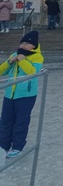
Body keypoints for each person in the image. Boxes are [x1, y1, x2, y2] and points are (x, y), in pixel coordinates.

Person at [0, 30, 44, 159]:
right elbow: (1, 71)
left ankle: (17, 146)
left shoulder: (37, 57)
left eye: (27, 43)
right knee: (6, 120)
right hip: (10, 94)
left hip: (26, 95)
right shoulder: (15, 54)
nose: (23, 46)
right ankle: (3, 144)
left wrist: (22, 60)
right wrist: (9, 62)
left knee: (21, 121)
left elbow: (32, 72)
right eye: (22, 43)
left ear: (34, 45)